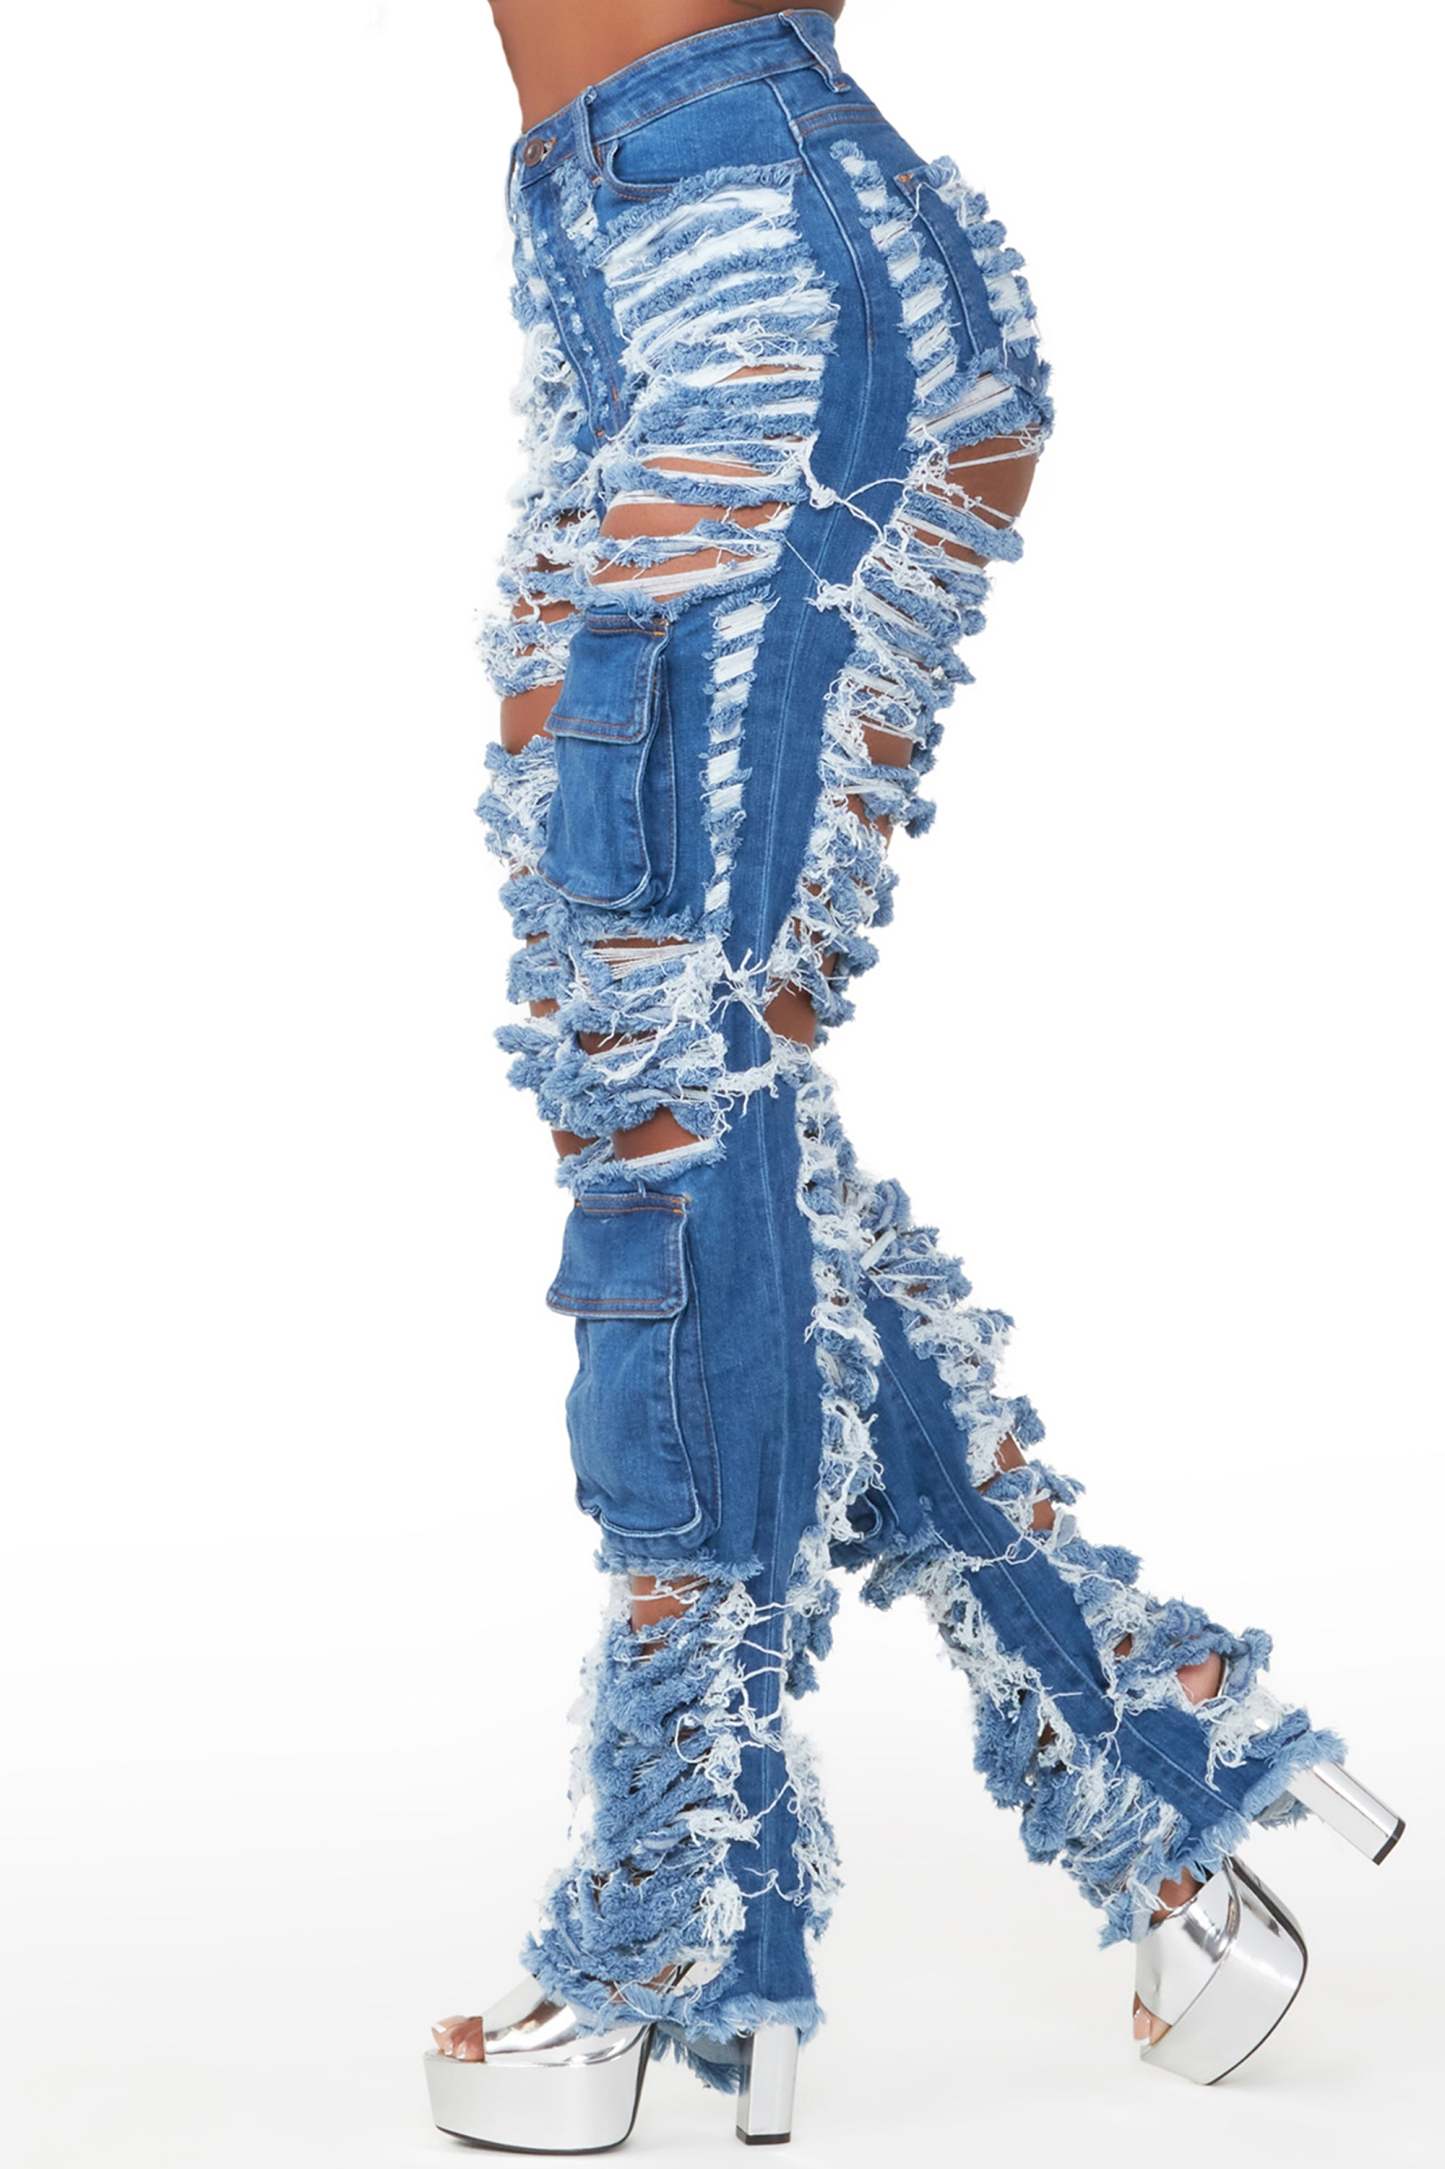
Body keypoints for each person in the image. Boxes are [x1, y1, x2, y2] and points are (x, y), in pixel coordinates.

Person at [424, 3, 1403, 2148]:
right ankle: (1152, 1754)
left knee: (671, 1092)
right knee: (688, 1082)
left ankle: (683, 1904)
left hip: (755, 257)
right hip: (641, 267)